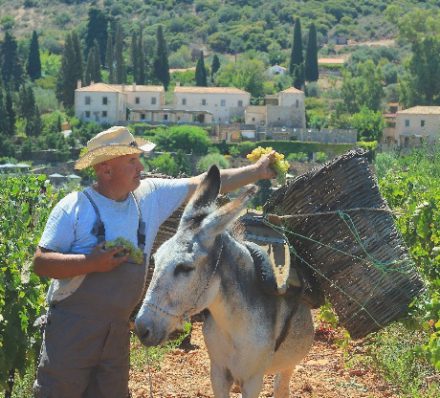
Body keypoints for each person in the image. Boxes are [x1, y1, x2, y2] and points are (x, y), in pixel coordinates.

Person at [32, 125, 275, 398]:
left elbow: (202, 183)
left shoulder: (148, 196)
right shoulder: (73, 208)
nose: (140, 166)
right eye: (132, 160)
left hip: (117, 331)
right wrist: (91, 262)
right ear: (106, 170)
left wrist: (257, 171)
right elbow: (41, 263)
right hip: (73, 330)